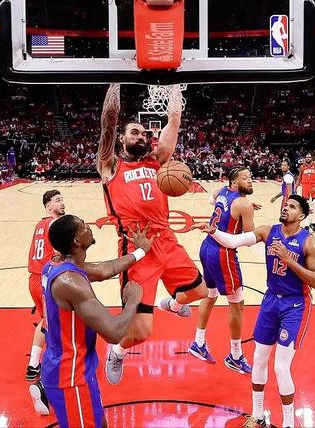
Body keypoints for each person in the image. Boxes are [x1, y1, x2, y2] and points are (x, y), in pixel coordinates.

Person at [96, 83, 208, 385]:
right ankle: (117, 352)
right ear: (122, 139)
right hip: (137, 250)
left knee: (200, 292)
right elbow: (108, 122)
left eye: (145, 134)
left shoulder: (156, 161)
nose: (141, 136)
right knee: (142, 332)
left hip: (166, 241)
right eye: (134, 132)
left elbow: (174, 121)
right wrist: (115, 83)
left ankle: (172, 304)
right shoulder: (110, 165)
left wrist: (174, 87)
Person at [193, 195, 315, 428]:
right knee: (259, 358)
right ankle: (257, 415)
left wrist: (289, 260)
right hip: (271, 301)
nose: (286, 208)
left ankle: (288, 423)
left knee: (281, 367)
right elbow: (234, 241)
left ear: (302, 216)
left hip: (295, 305)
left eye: (292, 207)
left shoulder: (309, 242)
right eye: (285, 205)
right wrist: (213, 231)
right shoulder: (268, 231)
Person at [33, 215, 146, 426]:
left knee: (100, 423)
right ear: (77, 241)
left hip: (76, 369)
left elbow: (104, 270)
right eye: (84, 226)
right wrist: (133, 301)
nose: (89, 227)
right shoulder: (70, 282)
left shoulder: (58, 264)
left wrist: (140, 252)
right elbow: (114, 332)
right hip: (70, 376)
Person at [188, 167, 255, 374]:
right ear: (234, 183)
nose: (250, 181)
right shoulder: (244, 204)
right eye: (245, 178)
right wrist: (247, 212)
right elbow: (249, 238)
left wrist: (241, 209)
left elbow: (212, 199)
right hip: (223, 254)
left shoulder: (223, 191)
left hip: (206, 247)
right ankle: (235, 356)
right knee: (237, 303)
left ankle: (198, 342)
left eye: (250, 177)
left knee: (210, 295)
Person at [25, 190, 66, 381]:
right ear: (49, 206)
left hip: (34, 279)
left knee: (46, 321)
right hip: (45, 280)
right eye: (58, 200)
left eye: (62, 199)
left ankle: (33, 363)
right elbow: (59, 253)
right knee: (55, 324)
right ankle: (53, 368)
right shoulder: (55, 224)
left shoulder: (40, 224)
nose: (62, 203)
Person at [295, 153, 315, 232]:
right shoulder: (302, 167)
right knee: (305, 206)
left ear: (311, 158)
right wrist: (295, 188)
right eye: (307, 157)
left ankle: (313, 222)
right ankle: (306, 225)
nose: (308, 158)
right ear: (305, 158)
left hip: (314, 186)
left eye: (309, 157)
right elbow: (299, 178)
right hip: (305, 187)